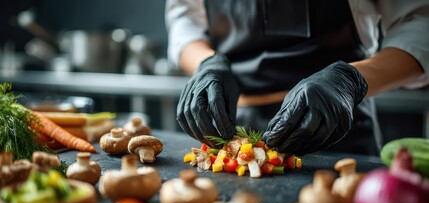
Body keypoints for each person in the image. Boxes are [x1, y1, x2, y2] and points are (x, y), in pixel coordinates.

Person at [165, 0, 429, 156]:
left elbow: (420, 22)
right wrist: (206, 63)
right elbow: (185, 19)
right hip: (230, 127)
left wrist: (350, 81)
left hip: (337, 123)